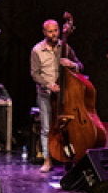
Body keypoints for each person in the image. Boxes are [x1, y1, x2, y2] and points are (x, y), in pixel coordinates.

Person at [30, 19, 83, 173]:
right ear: (44, 32)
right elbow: (34, 74)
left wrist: (72, 65)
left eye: (56, 30)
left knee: (69, 126)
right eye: (50, 31)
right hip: (46, 94)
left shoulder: (65, 48)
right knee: (46, 128)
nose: (54, 34)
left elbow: (80, 66)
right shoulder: (37, 50)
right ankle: (47, 159)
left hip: (65, 95)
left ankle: (70, 157)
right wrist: (49, 84)